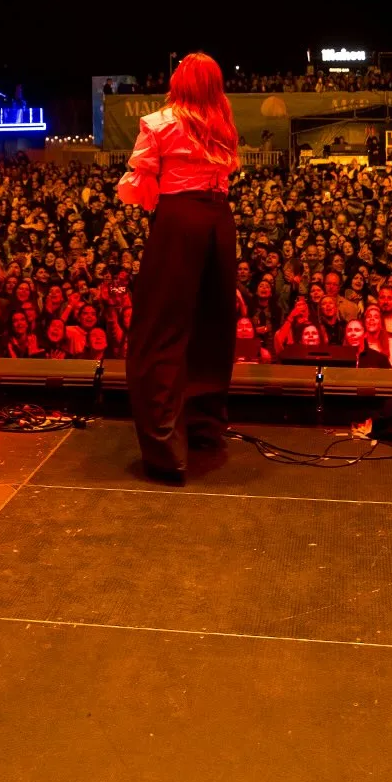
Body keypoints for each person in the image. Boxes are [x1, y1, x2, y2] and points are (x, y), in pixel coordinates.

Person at [116, 52, 239, 482]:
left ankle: (166, 449)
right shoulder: (224, 125)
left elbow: (142, 188)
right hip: (220, 224)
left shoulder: (159, 123)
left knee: (159, 331)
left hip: (179, 220)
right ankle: (204, 428)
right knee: (212, 325)